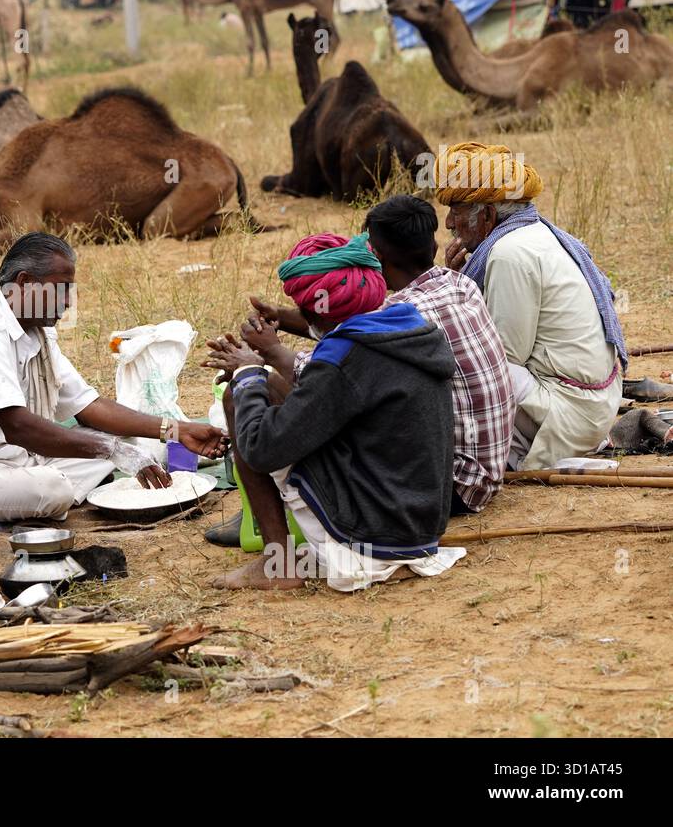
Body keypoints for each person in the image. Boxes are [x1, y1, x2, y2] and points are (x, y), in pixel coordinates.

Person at [0, 232, 227, 525]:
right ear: (24, 283)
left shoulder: (37, 331)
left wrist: (177, 429)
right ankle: (50, 495)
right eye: (62, 290)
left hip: (19, 459)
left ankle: (50, 492)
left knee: (132, 446)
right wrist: (111, 451)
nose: (68, 302)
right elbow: (19, 427)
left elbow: (89, 407)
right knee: (54, 487)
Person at [203, 234, 464, 591]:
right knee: (266, 388)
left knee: (240, 397)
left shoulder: (345, 356)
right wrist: (258, 369)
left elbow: (261, 449)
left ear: (314, 313)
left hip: (372, 534)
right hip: (419, 523)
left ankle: (278, 563)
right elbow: (327, 396)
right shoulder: (410, 328)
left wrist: (247, 372)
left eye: (303, 308)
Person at [230, 198, 515, 524]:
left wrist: (263, 356)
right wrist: (283, 317)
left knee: (277, 395)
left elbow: (324, 380)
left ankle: (266, 521)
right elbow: (357, 335)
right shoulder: (458, 285)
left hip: (445, 486)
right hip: (485, 472)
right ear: (433, 244)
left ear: (375, 256)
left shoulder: (404, 313)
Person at [437, 142, 625, 470]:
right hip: (589, 405)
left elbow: (504, 357)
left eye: (456, 211)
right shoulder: (535, 234)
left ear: (488, 216)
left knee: (464, 365)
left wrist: (452, 291)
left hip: (569, 414)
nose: (449, 224)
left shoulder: (510, 254)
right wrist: (456, 282)